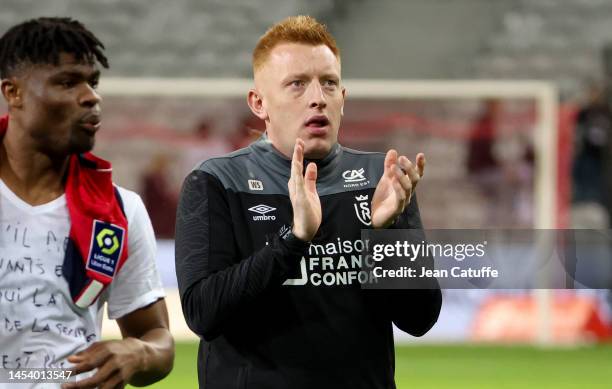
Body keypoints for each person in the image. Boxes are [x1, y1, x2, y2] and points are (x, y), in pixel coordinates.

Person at [175, 15, 441, 389]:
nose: (318, 97)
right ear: (259, 103)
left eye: (329, 84)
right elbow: (202, 313)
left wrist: (388, 234)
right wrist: (294, 241)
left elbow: (420, 320)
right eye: (297, 84)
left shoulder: (380, 180)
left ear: (343, 99)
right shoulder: (216, 182)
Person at [0, 17, 174, 388]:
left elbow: (158, 340)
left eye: (92, 82)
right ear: (13, 93)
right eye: (67, 82)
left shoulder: (119, 211)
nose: (91, 96)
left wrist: (137, 352)